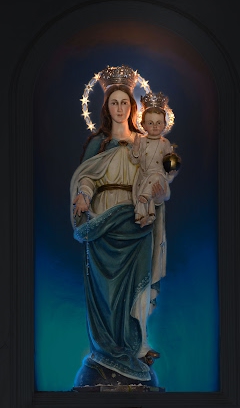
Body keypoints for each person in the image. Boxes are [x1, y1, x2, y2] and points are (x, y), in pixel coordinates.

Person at [70, 65, 167, 383]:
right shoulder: (97, 145)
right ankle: (106, 353)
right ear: (106, 107)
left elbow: (159, 172)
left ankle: (134, 348)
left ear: (133, 106)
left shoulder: (144, 143)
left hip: (136, 222)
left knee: (135, 292)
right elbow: (87, 177)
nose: (120, 108)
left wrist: (158, 190)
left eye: (125, 102)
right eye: (114, 103)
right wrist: (83, 195)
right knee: (105, 295)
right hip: (103, 225)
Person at [130, 91, 179, 227]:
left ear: (164, 124)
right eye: (150, 123)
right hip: (144, 177)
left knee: (155, 181)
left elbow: (169, 163)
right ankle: (144, 217)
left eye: (158, 123)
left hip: (159, 177)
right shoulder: (141, 141)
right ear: (143, 125)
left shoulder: (165, 143)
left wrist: (172, 171)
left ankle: (145, 204)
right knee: (147, 190)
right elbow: (134, 161)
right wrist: (135, 149)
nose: (155, 126)